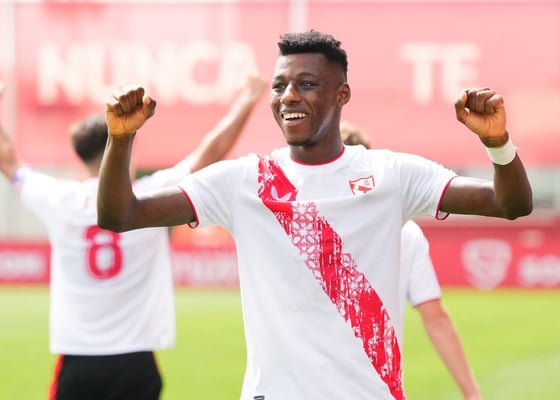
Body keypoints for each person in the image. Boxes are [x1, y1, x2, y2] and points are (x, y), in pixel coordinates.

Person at [96, 30, 532, 400]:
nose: (288, 96)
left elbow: (509, 204)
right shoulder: (242, 181)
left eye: (306, 84)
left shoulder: (391, 175)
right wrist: (120, 141)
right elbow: (121, 215)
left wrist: (498, 144)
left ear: (341, 95)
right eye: (279, 85)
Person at [0, 75, 267, 400]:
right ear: (125, 148)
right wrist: (248, 99)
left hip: (81, 357)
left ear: (80, 156)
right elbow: (211, 153)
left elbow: (8, 160)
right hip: (138, 359)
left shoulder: (59, 200)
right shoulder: (150, 194)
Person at [340, 122, 482, 399]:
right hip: (377, 387)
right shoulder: (406, 232)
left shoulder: (302, 227)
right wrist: (472, 393)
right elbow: (435, 317)